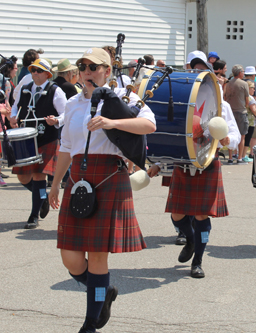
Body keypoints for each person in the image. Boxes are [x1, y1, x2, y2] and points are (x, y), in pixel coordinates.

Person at [48, 47, 156, 333]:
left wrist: (112, 122)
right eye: (83, 67)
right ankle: (104, 291)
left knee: (96, 256)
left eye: (94, 67)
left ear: (107, 71)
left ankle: (90, 323)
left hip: (109, 177)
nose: (87, 72)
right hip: (78, 179)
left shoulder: (123, 97)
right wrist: (56, 184)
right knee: (70, 258)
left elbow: (149, 124)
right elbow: (66, 147)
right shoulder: (72, 103)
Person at [163, 55, 240, 278]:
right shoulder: (178, 102)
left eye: (201, 71)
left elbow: (234, 134)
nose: (196, 75)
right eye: (192, 71)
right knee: (177, 215)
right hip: (183, 163)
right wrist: (158, 164)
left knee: (200, 216)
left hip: (208, 163)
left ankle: (197, 261)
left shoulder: (221, 104)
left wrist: (228, 141)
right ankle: (190, 240)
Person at [9, 59, 67, 229]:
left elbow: (66, 113)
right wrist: (13, 116)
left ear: (47, 74)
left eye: (39, 70)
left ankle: (33, 216)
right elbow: (15, 106)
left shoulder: (55, 91)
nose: (35, 73)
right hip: (27, 138)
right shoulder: (26, 89)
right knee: (23, 177)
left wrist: (56, 120)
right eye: (33, 70)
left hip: (46, 138)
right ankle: (42, 197)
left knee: (39, 175)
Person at [224, 64, 249, 164]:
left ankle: (230, 157)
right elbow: (247, 99)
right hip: (241, 111)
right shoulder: (244, 84)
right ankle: (239, 158)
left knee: (230, 134)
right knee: (242, 135)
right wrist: (244, 107)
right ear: (239, 73)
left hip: (230, 111)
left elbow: (225, 97)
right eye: (243, 71)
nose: (243, 73)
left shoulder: (228, 83)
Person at [0, 56, 18, 186]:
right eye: (15, 68)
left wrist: (10, 117)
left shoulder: (6, 82)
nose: (16, 70)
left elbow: (6, 104)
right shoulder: (5, 83)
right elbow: (6, 105)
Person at [242, 81, 256, 162]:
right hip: (250, 121)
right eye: (252, 88)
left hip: (243, 119)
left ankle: (240, 155)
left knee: (243, 138)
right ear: (248, 88)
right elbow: (254, 109)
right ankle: (244, 155)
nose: (254, 90)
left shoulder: (242, 96)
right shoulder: (250, 98)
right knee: (247, 138)